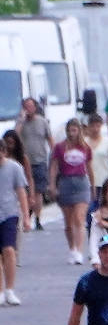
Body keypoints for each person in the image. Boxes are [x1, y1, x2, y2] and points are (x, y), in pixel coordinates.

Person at [51, 118, 93, 265]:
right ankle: (72, 248)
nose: (71, 133)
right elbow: (54, 167)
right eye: (69, 130)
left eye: (74, 130)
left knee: (79, 218)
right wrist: (52, 185)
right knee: (68, 222)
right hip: (65, 181)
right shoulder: (60, 147)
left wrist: (93, 185)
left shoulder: (85, 147)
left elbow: (89, 167)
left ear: (79, 131)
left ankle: (79, 251)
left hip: (81, 182)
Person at [0, 133, 29, 306]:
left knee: (9, 250)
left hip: (9, 213)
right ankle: (1, 291)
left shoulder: (14, 167)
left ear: (4, 152)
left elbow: (21, 192)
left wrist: (26, 216)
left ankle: (10, 289)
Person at [17, 98, 52, 230]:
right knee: (25, 191)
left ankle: (37, 218)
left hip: (39, 161)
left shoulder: (42, 122)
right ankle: (28, 216)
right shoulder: (21, 123)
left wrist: (55, 156)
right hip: (25, 162)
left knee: (38, 192)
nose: (29, 109)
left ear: (35, 107)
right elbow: (15, 135)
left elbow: (50, 139)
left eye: (31, 106)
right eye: (26, 107)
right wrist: (21, 120)